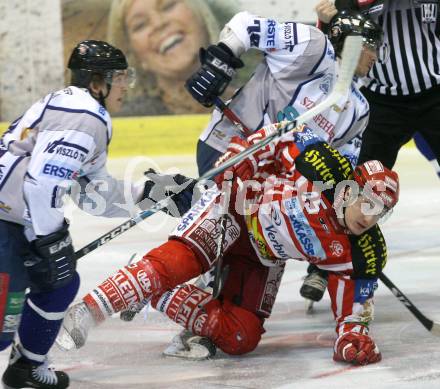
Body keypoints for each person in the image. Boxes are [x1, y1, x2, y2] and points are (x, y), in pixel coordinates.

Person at [56, 121, 400, 365]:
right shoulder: (322, 164)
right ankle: (89, 310)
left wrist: (353, 337)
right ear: (351, 189)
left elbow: (352, 313)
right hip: (234, 210)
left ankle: (154, 293)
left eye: (381, 212)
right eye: (368, 203)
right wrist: (241, 158)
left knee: (241, 337)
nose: (369, 218)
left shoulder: (364, 250)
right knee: (177, 263)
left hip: (263, 258)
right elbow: (285, 133)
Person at [0, 40, 196, 389]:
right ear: (96, 82)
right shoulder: (86, 116)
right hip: (7, 223)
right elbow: (41, 184)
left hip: (17, 220)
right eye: (119, 77)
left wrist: (150, 193)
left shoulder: (74, 108)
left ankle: (25, 367)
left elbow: (92, 193)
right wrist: (50, 240)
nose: (125, 85)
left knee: (59, 284)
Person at [300, 0, 440, 306]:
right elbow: (334, 34)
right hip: (381, 103)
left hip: (435, 93)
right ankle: (325, 265)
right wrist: (329, 18)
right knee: (357, 189)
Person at [106, 0, 256, 116]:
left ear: (201, 17)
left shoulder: (262, 98)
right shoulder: (128, 124)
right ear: (134, 56)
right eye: (140, 25)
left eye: (168, 5)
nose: (159, 23)